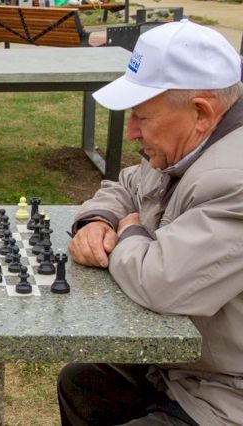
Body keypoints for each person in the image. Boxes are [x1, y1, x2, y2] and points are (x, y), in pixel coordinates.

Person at [60, 20, 243, 426]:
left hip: (227, 392)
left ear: (201, 112)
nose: (131, 132)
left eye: (141, 116)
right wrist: (98, 219)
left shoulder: (234, 180)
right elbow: (126, 185)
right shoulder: (190, 145)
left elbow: (161, 281)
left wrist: (129, 231)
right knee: (81, 382)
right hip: (183, 368)